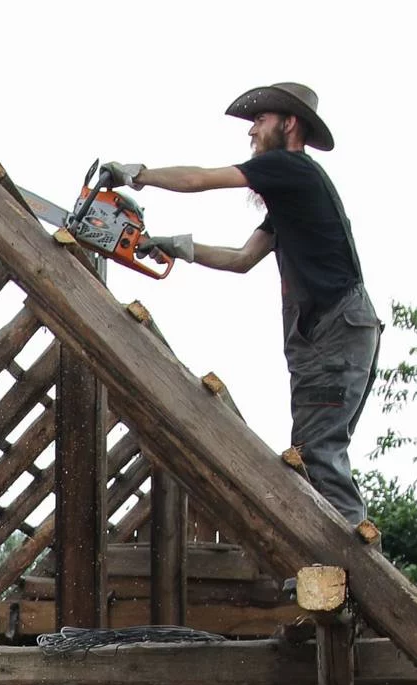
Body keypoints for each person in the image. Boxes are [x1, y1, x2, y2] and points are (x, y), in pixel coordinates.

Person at [106, 82, 380, 527]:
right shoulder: (290, 198)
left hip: (337, 331)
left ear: (289, 124)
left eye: (260, 120)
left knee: (319, 454)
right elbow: (242, 259)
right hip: (333, 333)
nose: (251, 131)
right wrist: (177, 247)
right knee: (313, 454)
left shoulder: (290, 167)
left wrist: (140, 174)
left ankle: (351, 579)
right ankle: (333, 566)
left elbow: (200, 179)